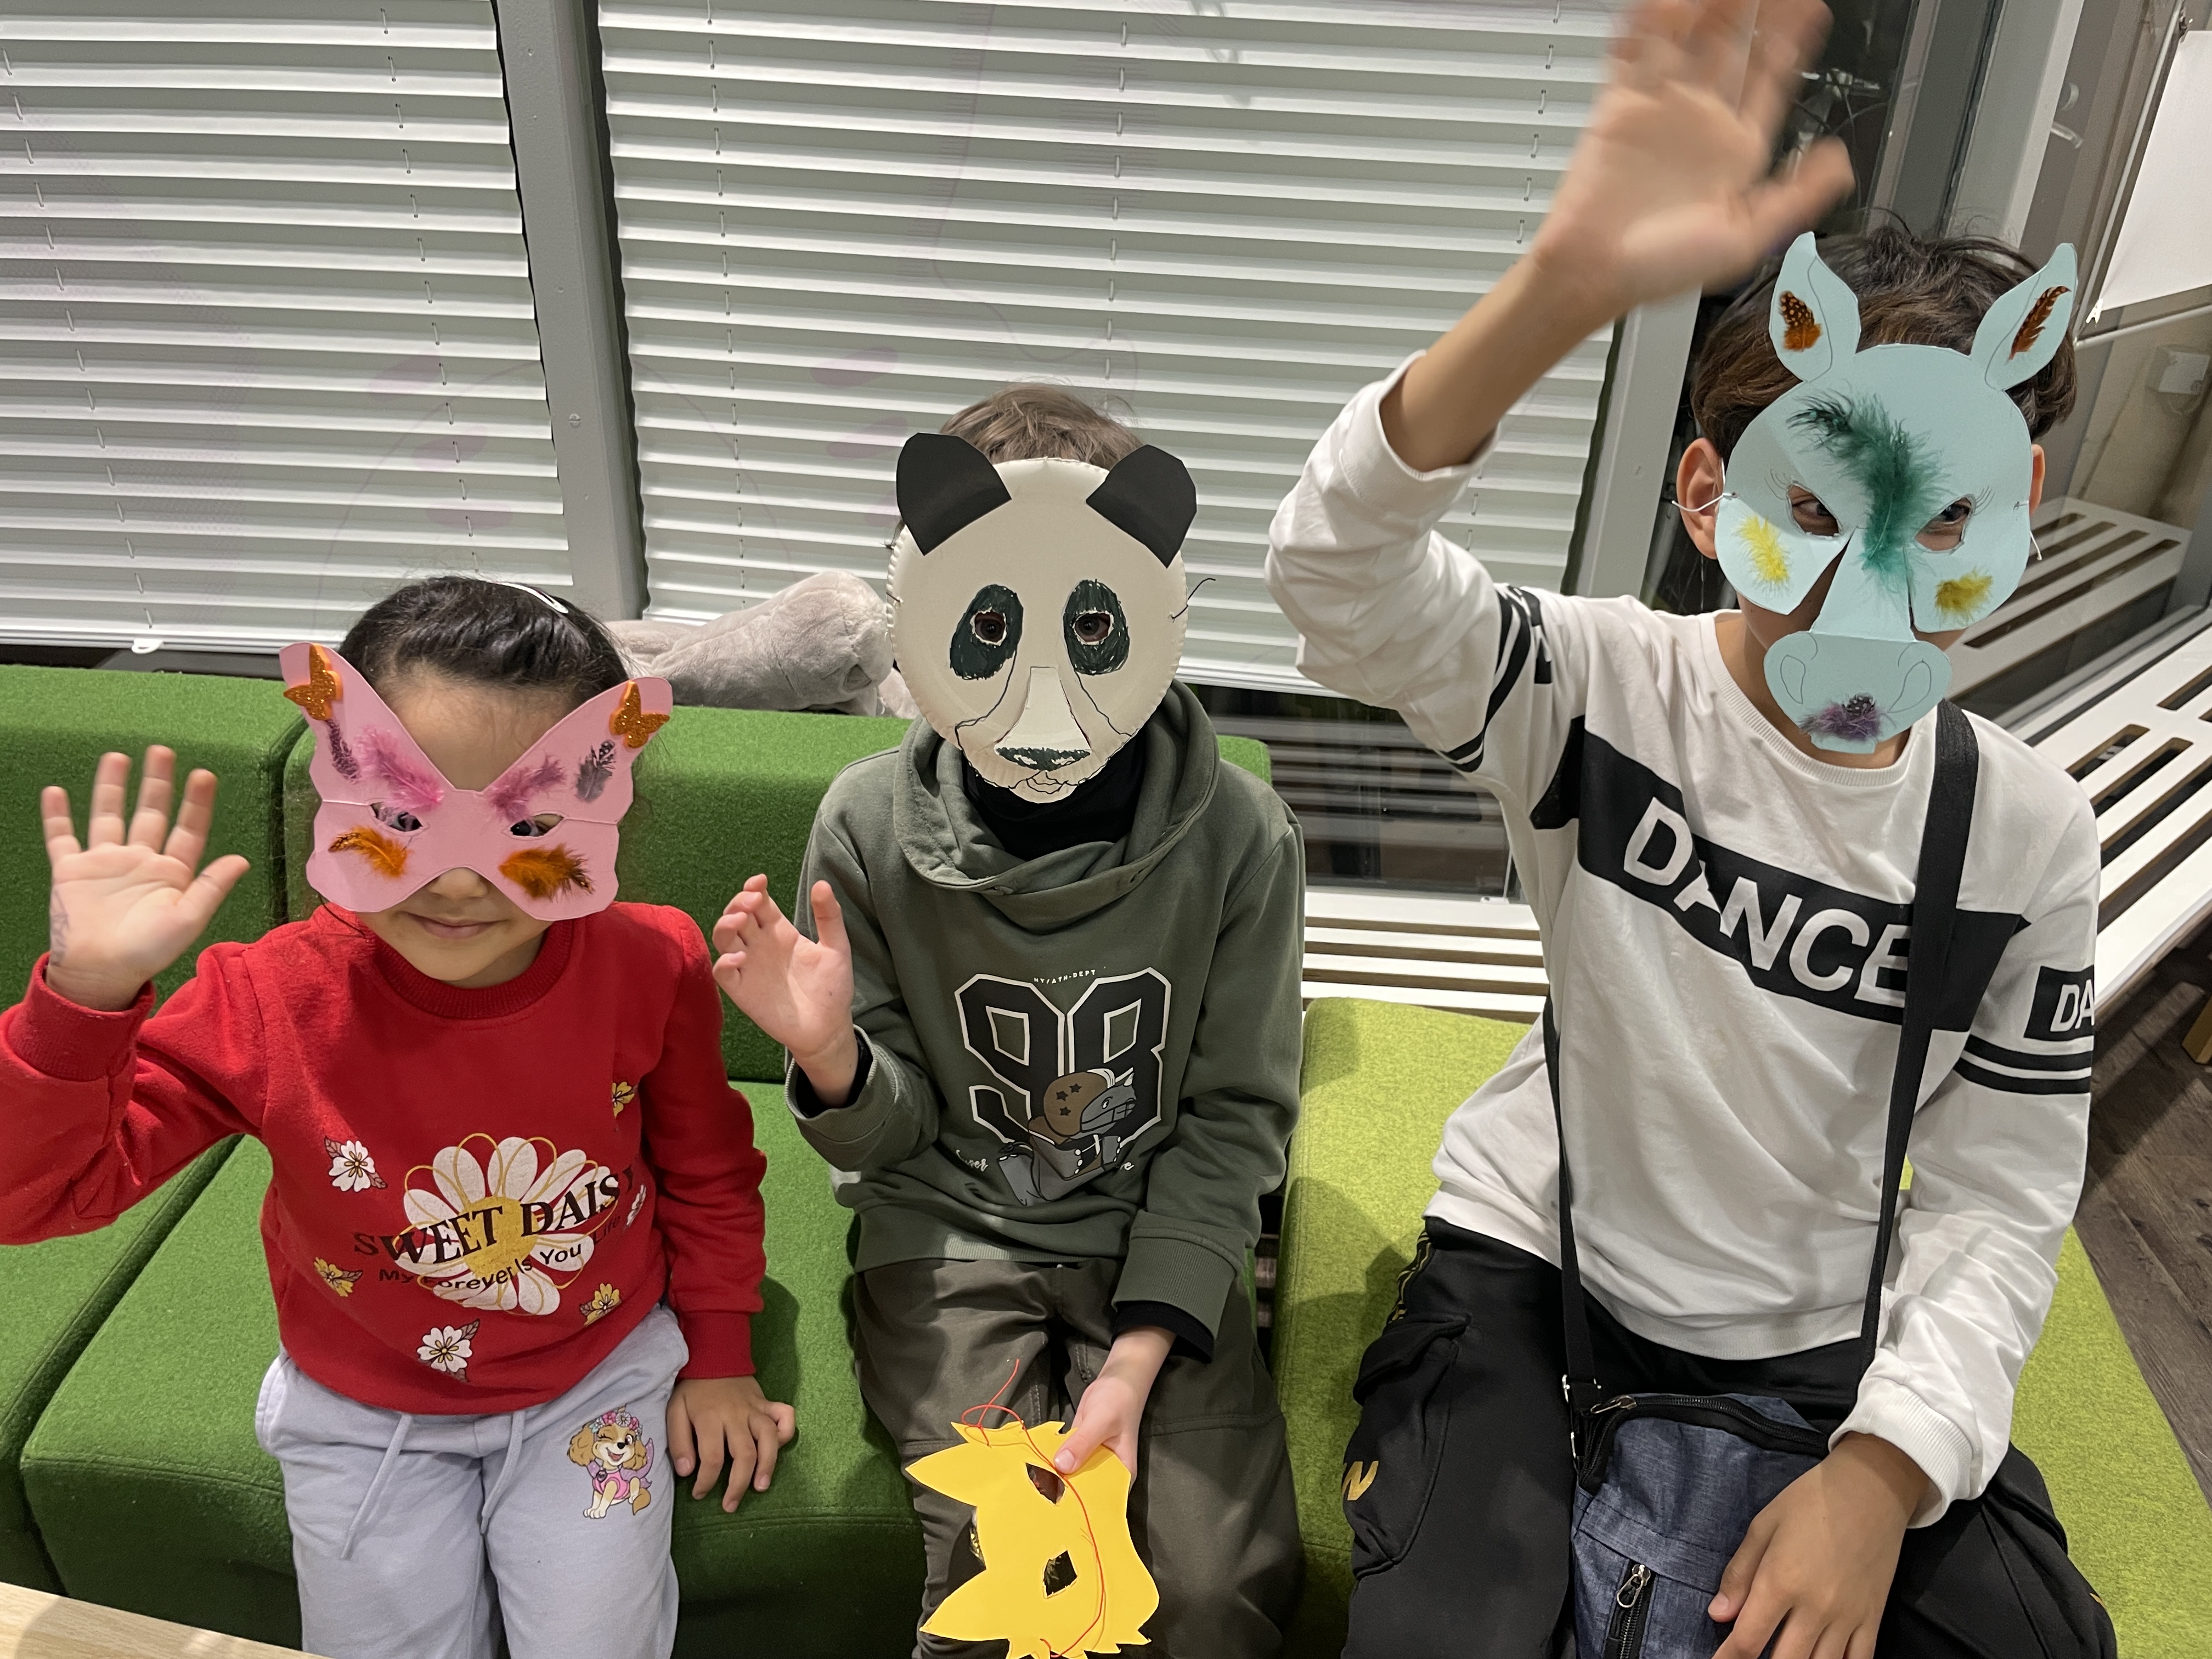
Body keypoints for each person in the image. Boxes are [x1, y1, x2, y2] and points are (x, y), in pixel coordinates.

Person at [1265, 2, 2108, 1656]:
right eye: (1819, 510)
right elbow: (1335, 579)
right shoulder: (1599, 690)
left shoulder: (2026, 835)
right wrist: (1556, 293)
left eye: (1947, 522)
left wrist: (1882, 1469)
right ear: (1712, 498)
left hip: (1823, 1333)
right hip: (1538, 1265)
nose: (1875, 591)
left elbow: (2003, 1198)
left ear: (2014, 519)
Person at [0, 577, 794, 1659]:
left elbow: (707, 1170)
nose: (460, 882)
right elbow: (39, 1196)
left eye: (527, 822)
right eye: (405, 818)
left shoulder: (652, 963)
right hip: (362, 1404)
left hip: (595, 1374)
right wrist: (83, 1000)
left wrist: (720, 1355)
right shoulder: (265, 998)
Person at [713, 385, 1306, 1656]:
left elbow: (1236, 1118)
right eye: (988, 625)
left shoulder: (1241, 836)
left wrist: (1135, 1361)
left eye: (1092, 624)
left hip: (1156, 1236)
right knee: (1007, 1574)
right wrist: (828, 1055)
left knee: (1213, 1591)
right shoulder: (866, 825)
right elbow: (889, 1142)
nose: (1044, 684)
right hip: (951, 1235)